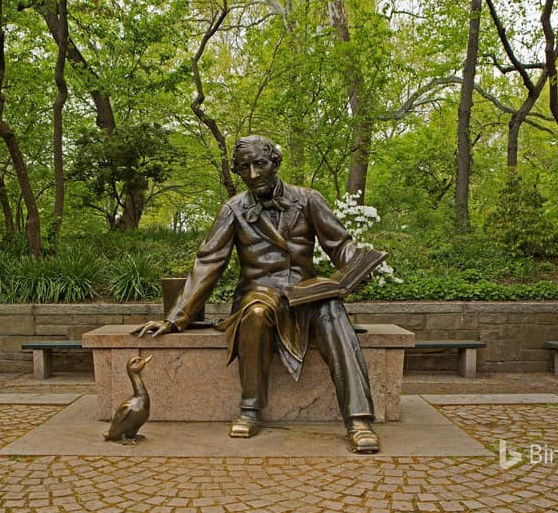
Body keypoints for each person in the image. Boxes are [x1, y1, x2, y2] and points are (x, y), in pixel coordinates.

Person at [135, 135, 380, 453]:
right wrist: (175, 318)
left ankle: (359, 419)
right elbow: (209, 262)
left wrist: (358, 264)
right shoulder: (233, 209)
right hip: (259, 294)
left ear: (275, 163)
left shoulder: (308, 200)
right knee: (256, 313)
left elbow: (340, 245)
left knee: (332, 310)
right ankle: (250, 409)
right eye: (244, 167)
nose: (252, 174)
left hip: (304, 294)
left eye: (259, 164)